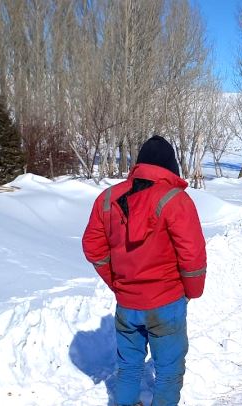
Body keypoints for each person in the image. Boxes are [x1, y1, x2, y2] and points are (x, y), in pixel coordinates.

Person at [82, 135, 207, 406]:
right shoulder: (177, 200)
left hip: (127, 304)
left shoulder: (107, 199)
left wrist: (117, 282)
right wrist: (192, 291)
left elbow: (93, 246)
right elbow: (192, 255)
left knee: (128, 367)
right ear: (170, 166)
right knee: (168, 371)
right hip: (166, 302)